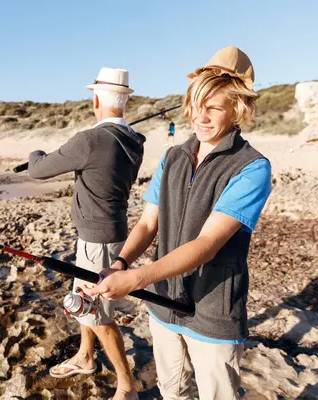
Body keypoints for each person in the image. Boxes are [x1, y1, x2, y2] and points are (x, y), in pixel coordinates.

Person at [84, 47, 273, 399]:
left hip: (213, 309)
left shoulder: (252, 168)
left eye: (213, 107)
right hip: (161, 304)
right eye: (195, 104)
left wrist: (136, 278)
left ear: (239, 108)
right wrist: (120, 264)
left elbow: (206, 245)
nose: (200, 117)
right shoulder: (174, 156)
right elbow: (146, 224)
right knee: (172, 393)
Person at [28, 67, 145, 400]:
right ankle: (85, 356)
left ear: (96, 98)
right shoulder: (134, 141)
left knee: (99, 317)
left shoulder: (90, 140)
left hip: (98, 242)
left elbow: (38, 169)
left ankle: (127, 386)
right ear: (125, 101)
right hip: (110, 233)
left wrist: (35, 152)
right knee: (86, 305)